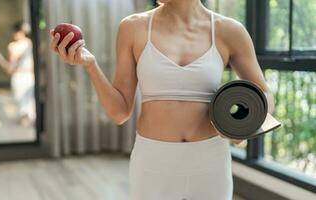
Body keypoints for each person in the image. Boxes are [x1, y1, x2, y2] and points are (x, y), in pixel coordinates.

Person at [49, 0, 275, 199]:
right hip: (152, 163)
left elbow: (264, 96)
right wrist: (91, 65)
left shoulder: (229, 31)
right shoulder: (133, 27)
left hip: (211, 162)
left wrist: (245, 127)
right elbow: (120, 112)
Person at [0, 21, 35, 127]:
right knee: (30, 106)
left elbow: (10, 69)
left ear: (19, 32)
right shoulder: (32, 44)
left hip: (19, 78)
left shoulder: (14, 46)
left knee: (24, 109)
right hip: (31, 77)